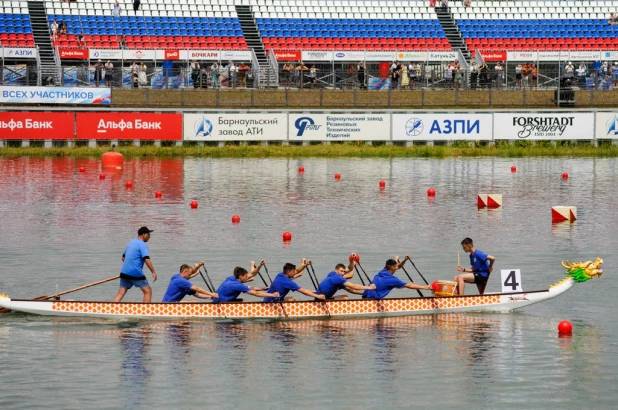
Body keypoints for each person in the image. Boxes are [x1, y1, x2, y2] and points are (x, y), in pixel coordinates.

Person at [113, 227, 157, 303]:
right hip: (135, 272)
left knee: (121, 292)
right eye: (148, 234)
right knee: (148, 291)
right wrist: (153, 272)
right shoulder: (142, 245)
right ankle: (145, 311)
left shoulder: (131, 242)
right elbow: (146, 258)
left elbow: (123, 258)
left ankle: (111, 308)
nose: (150, 236)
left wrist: (129, 267)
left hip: (124, 272)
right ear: (143, 234)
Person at [362, 255, 431, 299]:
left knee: (399, 285)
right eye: (395, 266)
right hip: (371, 302)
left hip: (364, 297)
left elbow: (398, 266)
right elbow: (409, 285)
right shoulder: (392, 280)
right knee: (406, 285)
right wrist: (425, 287)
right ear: (392, 267)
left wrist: (404, 260)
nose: (397, 267)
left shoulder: (382, 271)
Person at [214, 261, 280, 302]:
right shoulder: (237, 285)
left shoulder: (232, 278)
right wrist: (272, 295)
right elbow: (256, 294)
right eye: (245, 276)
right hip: (221, 304)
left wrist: (262, 288)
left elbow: (252, 274)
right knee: (245, 302)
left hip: (218, 300)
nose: (247, 277)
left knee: (244, 301)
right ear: (240, 276)